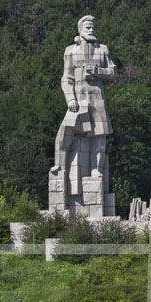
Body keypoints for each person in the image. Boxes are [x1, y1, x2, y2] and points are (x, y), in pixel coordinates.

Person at [51, 15, 117, 197]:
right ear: (80, 29)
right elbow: (66, 78)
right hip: (78, 99)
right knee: (65, 131)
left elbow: (113, 71)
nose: (91, 29)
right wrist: (69, 99)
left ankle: (96, 170)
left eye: (93, 26)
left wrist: (98, 71)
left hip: (97, 98)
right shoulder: (70, 51)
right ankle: (59, 165)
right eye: (88, 26)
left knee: (99, 136)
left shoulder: (102, 49)